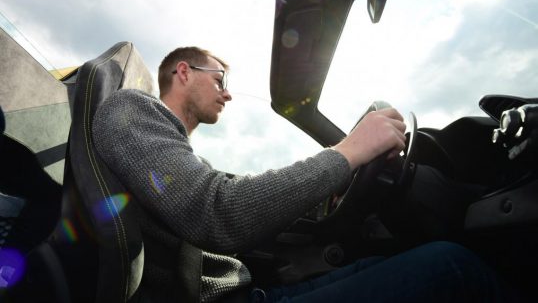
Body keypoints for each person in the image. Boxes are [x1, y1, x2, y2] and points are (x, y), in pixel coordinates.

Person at [92, 46, 515, 302]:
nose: (228, 91)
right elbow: (219, 212)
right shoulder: (133, 109)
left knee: (391, 259)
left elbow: (234, 195)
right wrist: (348, 152)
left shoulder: (175, 154)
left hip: (248, 291)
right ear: (183, 71)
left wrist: (332, 184)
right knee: (453, 268)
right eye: (219, 79)